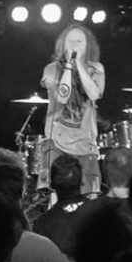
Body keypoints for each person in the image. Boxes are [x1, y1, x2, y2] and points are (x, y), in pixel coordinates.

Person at [40, 24, 105, 195]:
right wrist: (69, 66)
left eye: (80, 41)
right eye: (71, 41)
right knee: (56, 193)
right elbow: (62, 96)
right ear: (63, 44)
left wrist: (80, 65)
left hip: (85, 142)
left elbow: (94, 94)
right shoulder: (51, 69)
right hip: (57, 140)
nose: (75, 45)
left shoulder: (97, 68)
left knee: (89, 195)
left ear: (87, 45)